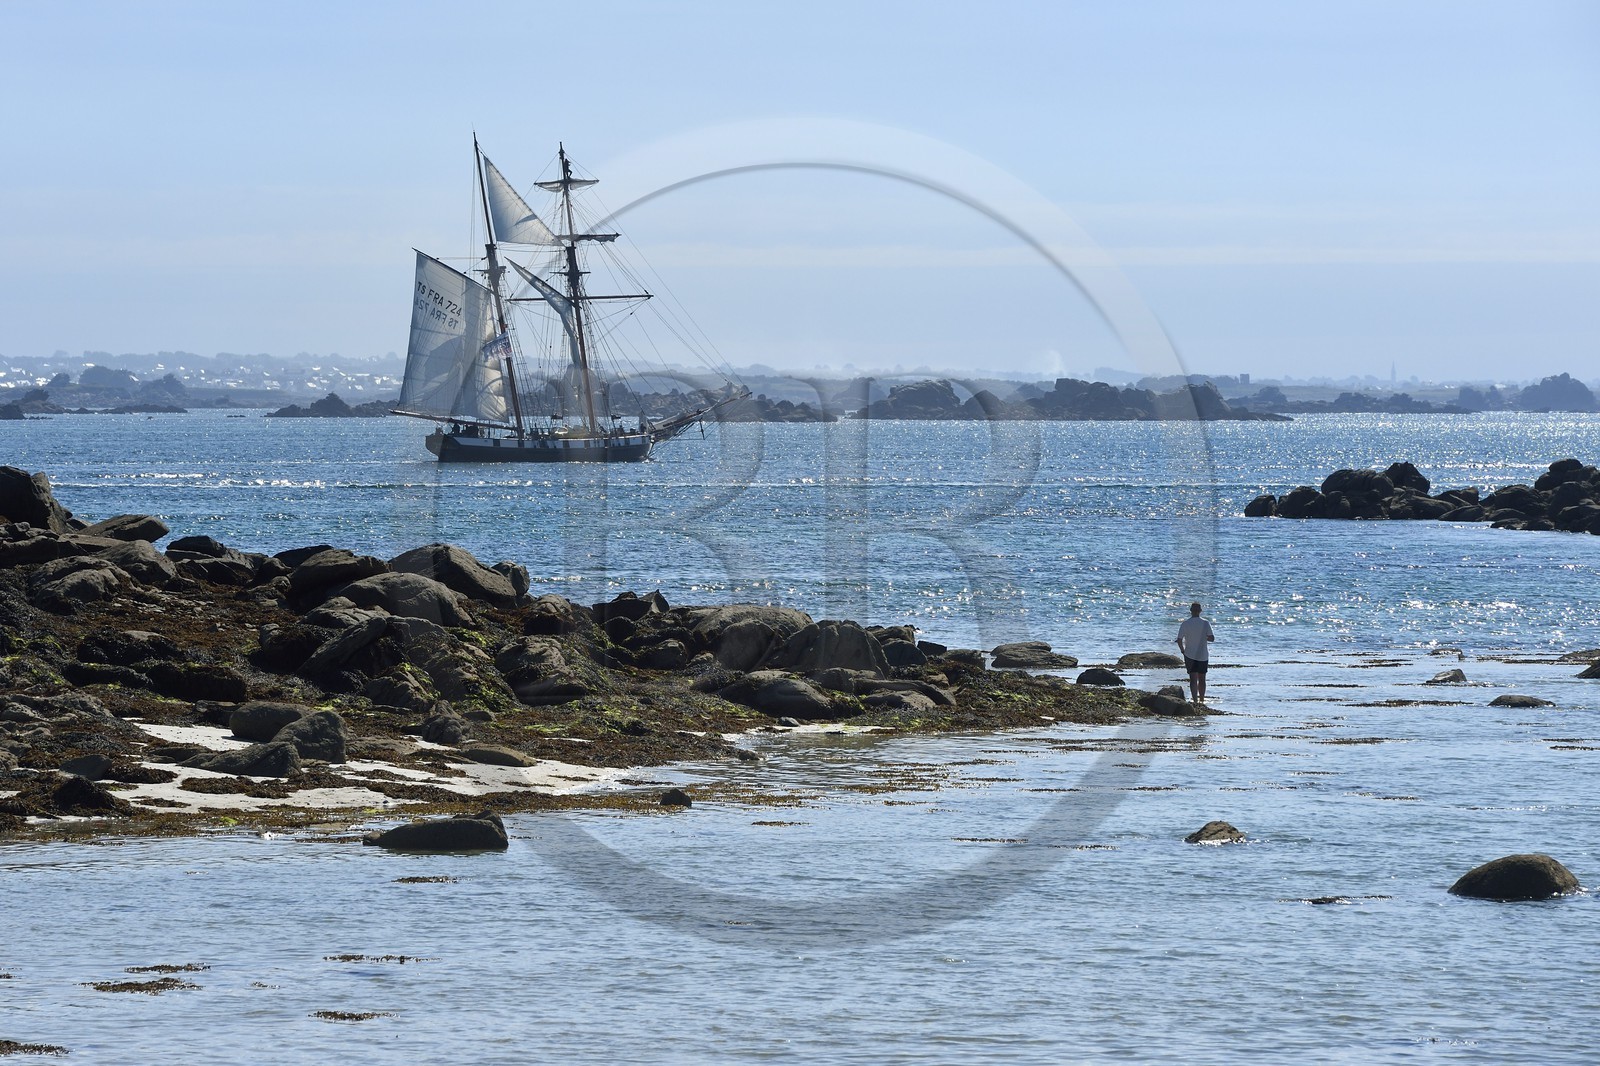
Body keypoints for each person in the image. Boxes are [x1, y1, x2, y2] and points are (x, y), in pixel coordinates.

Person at [1175, 601, 1216, 704]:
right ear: (1200, 611)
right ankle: (1201, 700)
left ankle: (1195, 700)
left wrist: (1182, 650)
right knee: (1202, 678)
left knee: (1193, 679)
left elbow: (1179, 640)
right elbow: (1212, 638)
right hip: (1203, 654)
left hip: (1189, 654)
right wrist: (1204, 637)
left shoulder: (1185, 623)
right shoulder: (1205, 623)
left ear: (1190, 611)